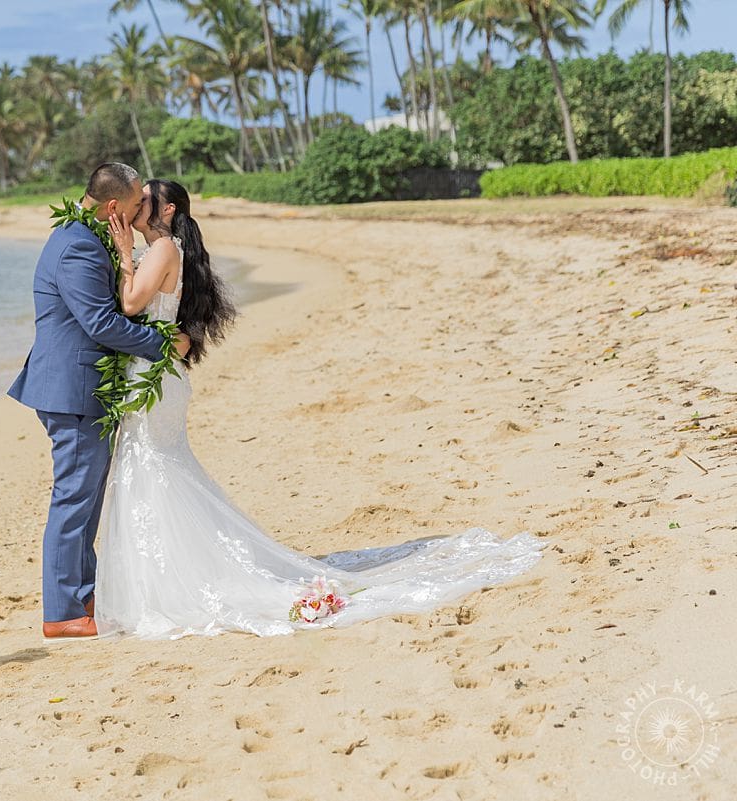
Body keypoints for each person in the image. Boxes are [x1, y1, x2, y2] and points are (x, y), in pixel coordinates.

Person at [93, 180, 545, 639]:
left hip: (154, 380)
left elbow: (130, 304)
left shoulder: (163, 249)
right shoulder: (163, 250)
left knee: (153, 465)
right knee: (155, 466)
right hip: (154, 376)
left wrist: (123, 253)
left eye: (145, 199)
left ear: (166, 211)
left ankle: (173, 582)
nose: (137, 204)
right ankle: (169, 576)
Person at [8, 163, 188, 641]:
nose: (134, 216)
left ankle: (82, 595)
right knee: (73, 498)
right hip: (72, 386)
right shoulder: (79, 247)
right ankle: (63, 611)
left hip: (83, 385)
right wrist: (164, 346)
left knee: (86, 498)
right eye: (133, 207)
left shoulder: (86, 237)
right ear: (113, 206)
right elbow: (101, 324)